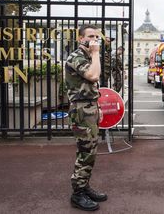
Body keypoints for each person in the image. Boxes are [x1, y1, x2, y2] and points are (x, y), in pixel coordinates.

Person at [65, 24, 107, 211]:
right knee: (85, 152)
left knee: (91, 151)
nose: (94, 40)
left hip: (89, 109)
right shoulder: (76, 57)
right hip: (81, 111)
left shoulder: (88, 56)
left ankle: (84, 186)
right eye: (90, 36)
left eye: (97, 37)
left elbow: (92, 87)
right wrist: (96, 53)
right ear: (80, 39)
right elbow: (93, 76)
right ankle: (77, 194)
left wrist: (97, 107)